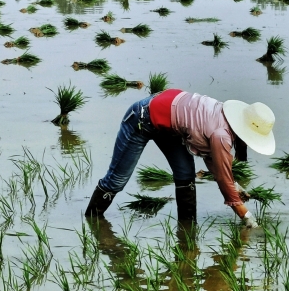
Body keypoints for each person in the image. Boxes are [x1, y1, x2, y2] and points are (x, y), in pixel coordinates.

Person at [84, 89, 277, 227]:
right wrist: (247, 216)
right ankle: (93, 222)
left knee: (185, 175)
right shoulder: (221, 134)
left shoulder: (224, 124)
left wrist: (235, 186)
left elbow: (216, 163)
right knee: (117, 179)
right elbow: (223, 179)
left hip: (171, 125)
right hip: (142, 118)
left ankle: (186, 232)